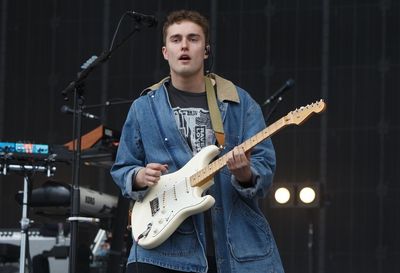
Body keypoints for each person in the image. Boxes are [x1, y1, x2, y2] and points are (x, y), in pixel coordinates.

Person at [111, 10, 284, 273]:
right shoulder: (144, 108)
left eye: (193, 39)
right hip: (166, 247)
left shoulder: (239, 103)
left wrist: (245, 173)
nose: (184, 45)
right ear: (165, 51)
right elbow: (122, 167)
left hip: (232, 242)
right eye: (176, 39)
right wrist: (139, 176)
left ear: (205, 50)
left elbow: (264, 168)